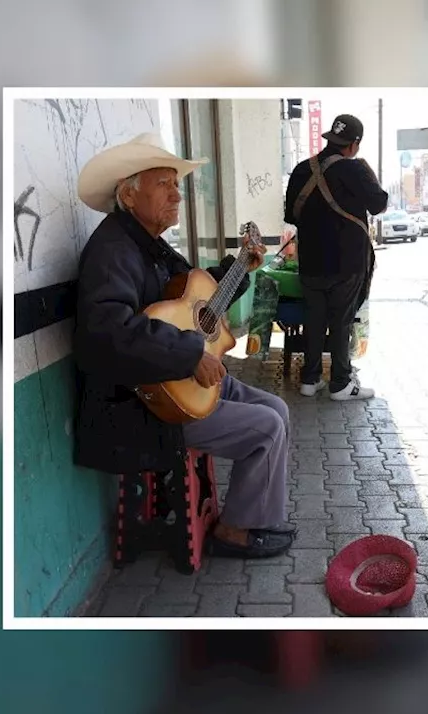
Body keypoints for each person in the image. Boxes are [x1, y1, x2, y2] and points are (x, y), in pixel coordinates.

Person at [72, 132, 295, 559]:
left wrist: (237, 268)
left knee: (279, 409)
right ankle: (235, 531)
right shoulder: (112, 251)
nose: (178, 195)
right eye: (165, 183)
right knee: (265, 429)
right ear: (129, 192)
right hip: (138, 406)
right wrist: (191, 353)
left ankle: (253, 515)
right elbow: (107, 328)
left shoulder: (149, 246)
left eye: (178, 184)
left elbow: (196, 303)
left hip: (174, 380)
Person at [284, 113, 389, 401]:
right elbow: (379, 204)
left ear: (331, 137)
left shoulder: (301, 170)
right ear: (354, 144)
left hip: (311, 263)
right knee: (341, 321)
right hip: (347, 263)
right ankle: (341, 383)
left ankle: (310, 379)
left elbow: (290, 215)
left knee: (314, 318)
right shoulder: (353, 170)